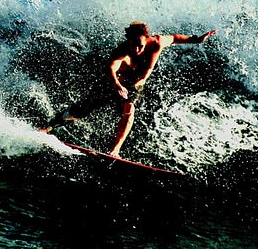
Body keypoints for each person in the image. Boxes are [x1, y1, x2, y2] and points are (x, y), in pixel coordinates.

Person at [43, 22, 218, 157]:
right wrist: (117, 85)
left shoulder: (156, 42)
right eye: (133, 44)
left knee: (129, 108)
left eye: (140, 45)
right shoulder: (123, 51)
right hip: (117, 82)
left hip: (136, 85)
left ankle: (115, 150)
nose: (136, 49)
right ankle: (47, 128)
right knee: (83, 109)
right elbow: (111, 67)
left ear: (147, 39)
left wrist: (197, 39)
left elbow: (175, 38)